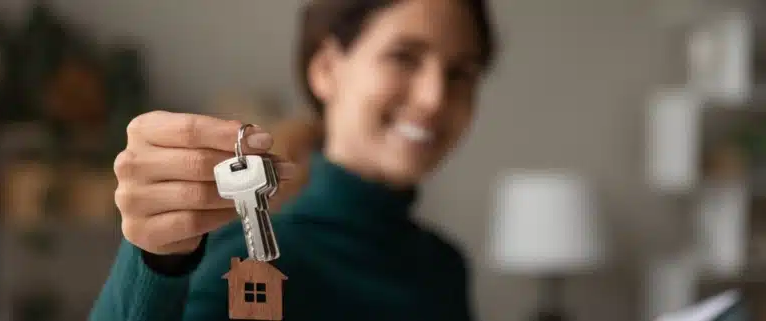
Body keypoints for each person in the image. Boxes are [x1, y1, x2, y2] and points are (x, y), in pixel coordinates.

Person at [90, 0, 498, 320]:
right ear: (325, 69)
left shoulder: (444, 268)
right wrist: (155, 259)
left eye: (461, 72)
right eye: (404, 57)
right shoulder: (246, 258)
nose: (435, 97)